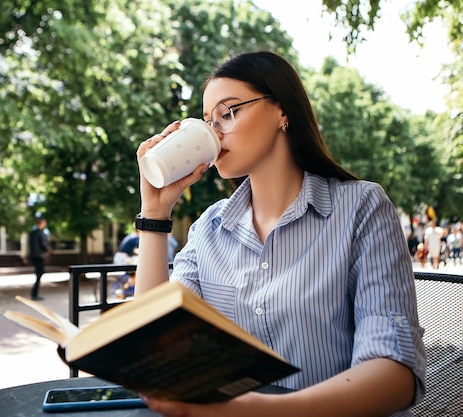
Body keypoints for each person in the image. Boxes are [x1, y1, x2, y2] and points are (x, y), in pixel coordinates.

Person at [134, 51, 425, 417]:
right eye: (207, 121)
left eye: (227, 113)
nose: (213, 132)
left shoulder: (361, 208)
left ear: (281, 111)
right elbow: (153, 346)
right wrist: (155, 211)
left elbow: (395, 373)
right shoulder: (209, 228)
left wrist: (254, 409)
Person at [28, 217, 52, 301]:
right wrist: (48, 249)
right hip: (39, 256)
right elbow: (43, 244)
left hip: (34, 256)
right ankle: (34, 293)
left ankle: (34, 293)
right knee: (39, 273)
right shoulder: (40, 233)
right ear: (41, 223)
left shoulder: (32, 233)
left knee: (38, 274)